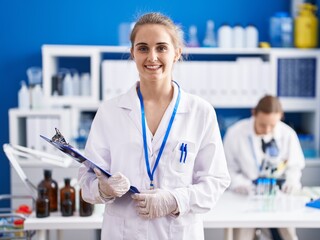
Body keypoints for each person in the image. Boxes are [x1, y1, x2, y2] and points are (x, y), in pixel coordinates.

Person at [78, 12, 230, 240]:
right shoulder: (110, 112)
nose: (152, 57)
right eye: (142, 48)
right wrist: (103, 189)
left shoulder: (201, 112)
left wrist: (174, 200)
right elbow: (86, 179)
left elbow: (216, 181)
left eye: (161, 48)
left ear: (177, 53)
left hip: (177, 233)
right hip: (123, 233)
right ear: (132, 53)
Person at [223, 95, 305, 240]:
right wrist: (241, 185)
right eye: (262, 125)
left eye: (272, 125)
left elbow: (295, 166)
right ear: (254, 113)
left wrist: (291, 183)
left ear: (281, 117)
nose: (267, 130)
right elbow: (228, 169)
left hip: (278, 197)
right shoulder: (235, 133)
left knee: (288, 236)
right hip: (245, 197)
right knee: (242, 236)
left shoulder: (287, 135)